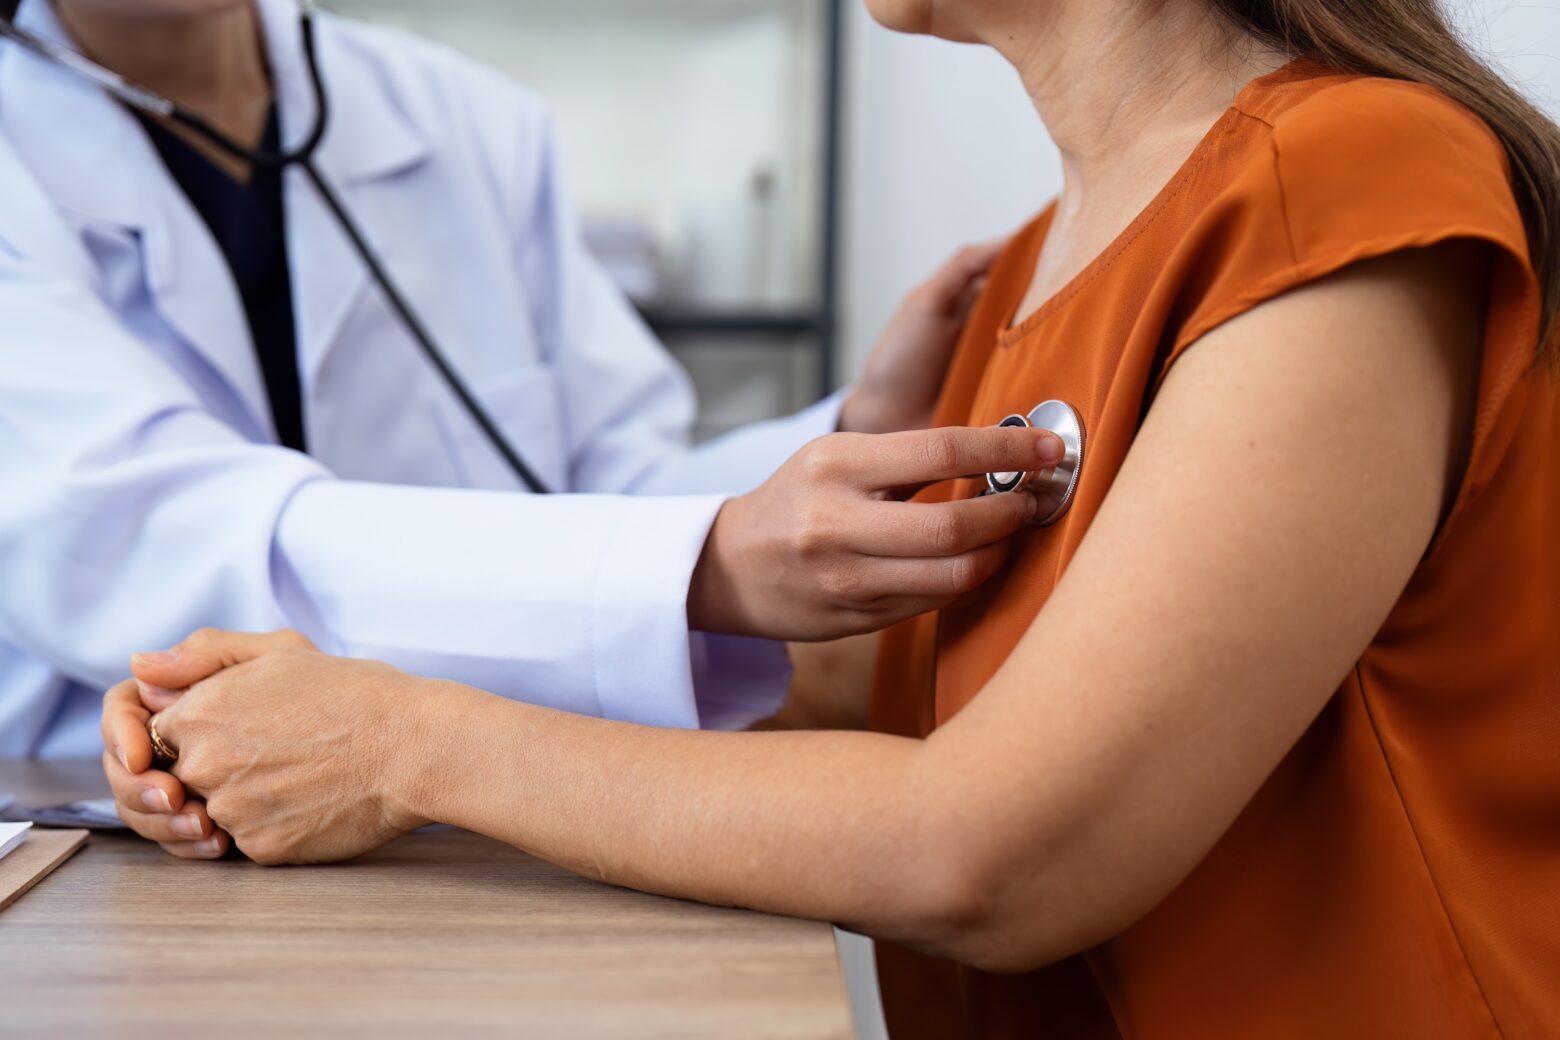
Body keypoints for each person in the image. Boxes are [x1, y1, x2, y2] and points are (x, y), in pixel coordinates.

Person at [107, 0, 1560, 1034]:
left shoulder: (1350, 180)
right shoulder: (1030, 269)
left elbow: (997, 847)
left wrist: (403, 741)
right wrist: (282, 721)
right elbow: (870, 687)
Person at [0, 0, 1056, 763]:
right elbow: (152, 536)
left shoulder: (461, 119)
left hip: (464, 799)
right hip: (95, 824)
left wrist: (864, 430)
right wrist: (704, 566)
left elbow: (607, 484)